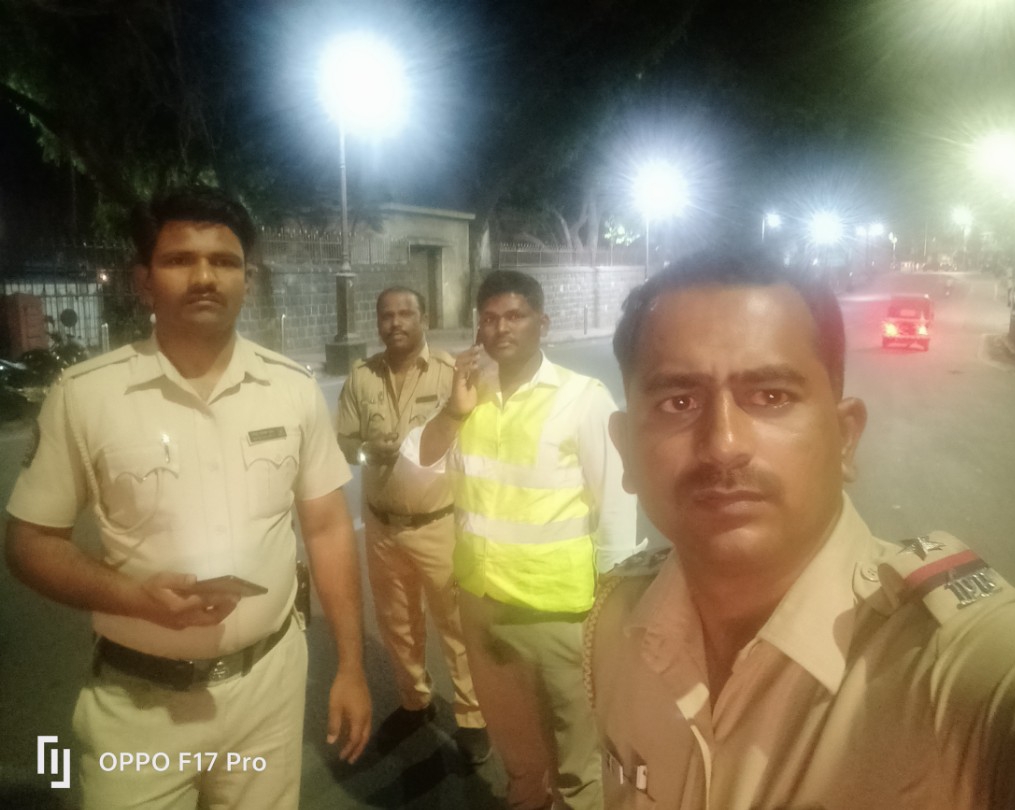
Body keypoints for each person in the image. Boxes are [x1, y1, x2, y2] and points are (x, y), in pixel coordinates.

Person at [588, 250, 1015, 809]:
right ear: (626, 450)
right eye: (679, 402)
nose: (723, 444)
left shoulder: (953, 667)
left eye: (771, 397)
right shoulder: (614, 627)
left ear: (845, 439)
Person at [4, 186, 372, 810]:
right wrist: (133, 599)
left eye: (224, 261)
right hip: (139, 704)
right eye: (180, 259)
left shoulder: (291, 389)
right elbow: (30, 544)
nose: (205, 276)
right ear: (143, 281)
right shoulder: (86, 395)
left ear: (247, 279)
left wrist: (352, 666)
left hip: (270, 689)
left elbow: (328, 527)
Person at [401, 269, 641, 810]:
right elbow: (415, 474)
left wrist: (615, 611)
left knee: (577, 758)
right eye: (489, 318)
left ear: (542, 324)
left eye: (515, 316)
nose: (501, 327)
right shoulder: (469, 398)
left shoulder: (582, 399)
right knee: (517, 752)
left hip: (557, 613)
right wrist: (455, 410)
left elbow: (616, 503)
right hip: (481, 605)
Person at [336, 286, 490, 764]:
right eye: (387, 315)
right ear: (378, 322)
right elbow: (344, 443)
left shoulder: (449, 372)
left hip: (439, 524)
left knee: (455, 625)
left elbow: (477, 435)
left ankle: (472, 715)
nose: (396, 323)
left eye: (406, 313)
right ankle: (415, 702)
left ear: (424, 318)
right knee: (397, 625)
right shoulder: (361, 377)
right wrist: (368, 451)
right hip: (383, 527)